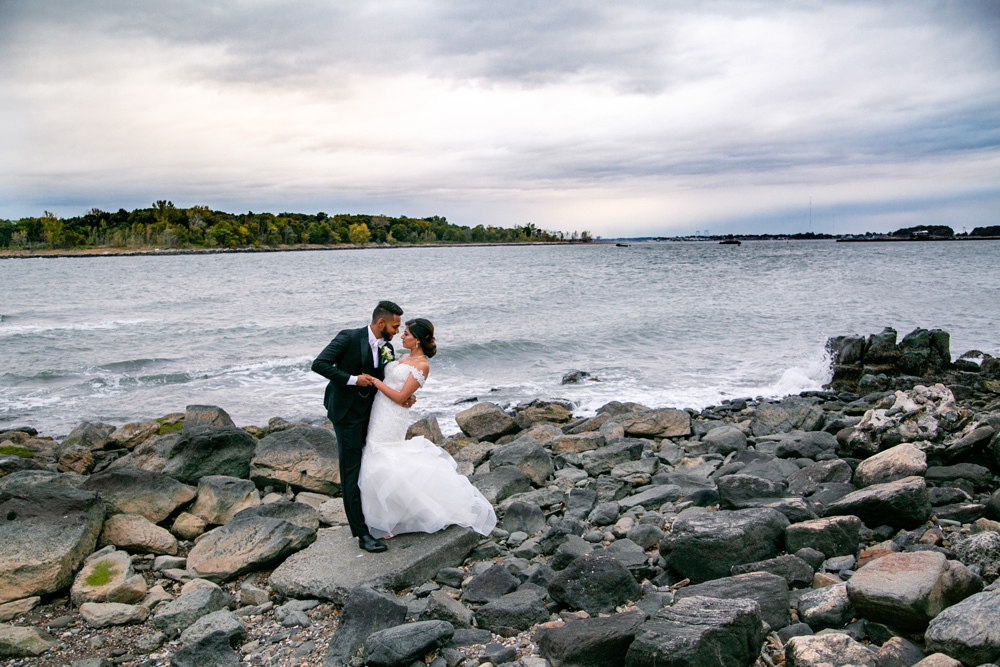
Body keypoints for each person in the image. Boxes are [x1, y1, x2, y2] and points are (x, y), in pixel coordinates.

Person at [357, 318, 497, 539]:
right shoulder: (403, 357)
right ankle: (388, 515)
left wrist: (375, 382)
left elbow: (401, 396)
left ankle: (395, 519)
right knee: (374, 456)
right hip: (379, 410)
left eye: (407, 334)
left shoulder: (422, 365)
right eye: (402, 332)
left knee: (384, 458)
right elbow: (398, 388)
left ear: (418, 340)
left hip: (392, 414)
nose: (402, 336)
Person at [311, 301, 412, 553]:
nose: (397, 331)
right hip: (346, 414)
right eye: (395, 326)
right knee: (351, 471)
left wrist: (404, 396)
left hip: (373, 415)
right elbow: (319, 364)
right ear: (381, 323)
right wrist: (354, 379)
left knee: (372, 466)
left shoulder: (386, 346)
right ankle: (361, 533)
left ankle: (378, 518)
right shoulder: (348, 337)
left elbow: (384, 379)